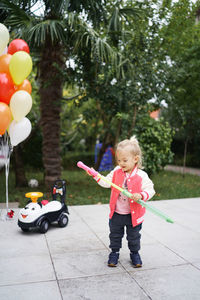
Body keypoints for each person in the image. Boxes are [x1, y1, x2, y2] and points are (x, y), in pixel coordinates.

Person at [88, 136, 155, 268]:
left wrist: (141, 195)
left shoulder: (141, 175)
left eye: (125, 160)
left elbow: (150, 190)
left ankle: (134, 253)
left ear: (135, 159)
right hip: (117, 213)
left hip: (133, 216)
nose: (121, 163)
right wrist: (95, 175)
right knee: (115, 235)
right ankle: (114, 252)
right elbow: (106, 182)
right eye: (118, 160)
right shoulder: (116, 172)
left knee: (134, 237)